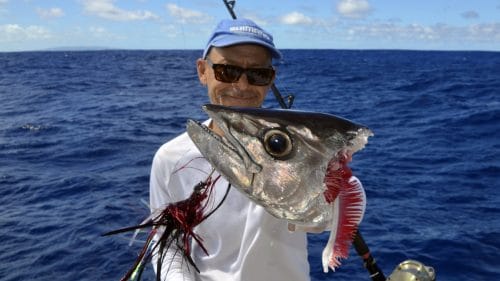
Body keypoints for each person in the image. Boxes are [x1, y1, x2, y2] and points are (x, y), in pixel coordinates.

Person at [149, 18, 311, 281]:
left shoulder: (296, 146)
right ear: (203, 71)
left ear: (271, 80)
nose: (243, 86)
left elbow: (325, 216)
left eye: (258, 74)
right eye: (227, 71)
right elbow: (168, 246)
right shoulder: (170, 159)